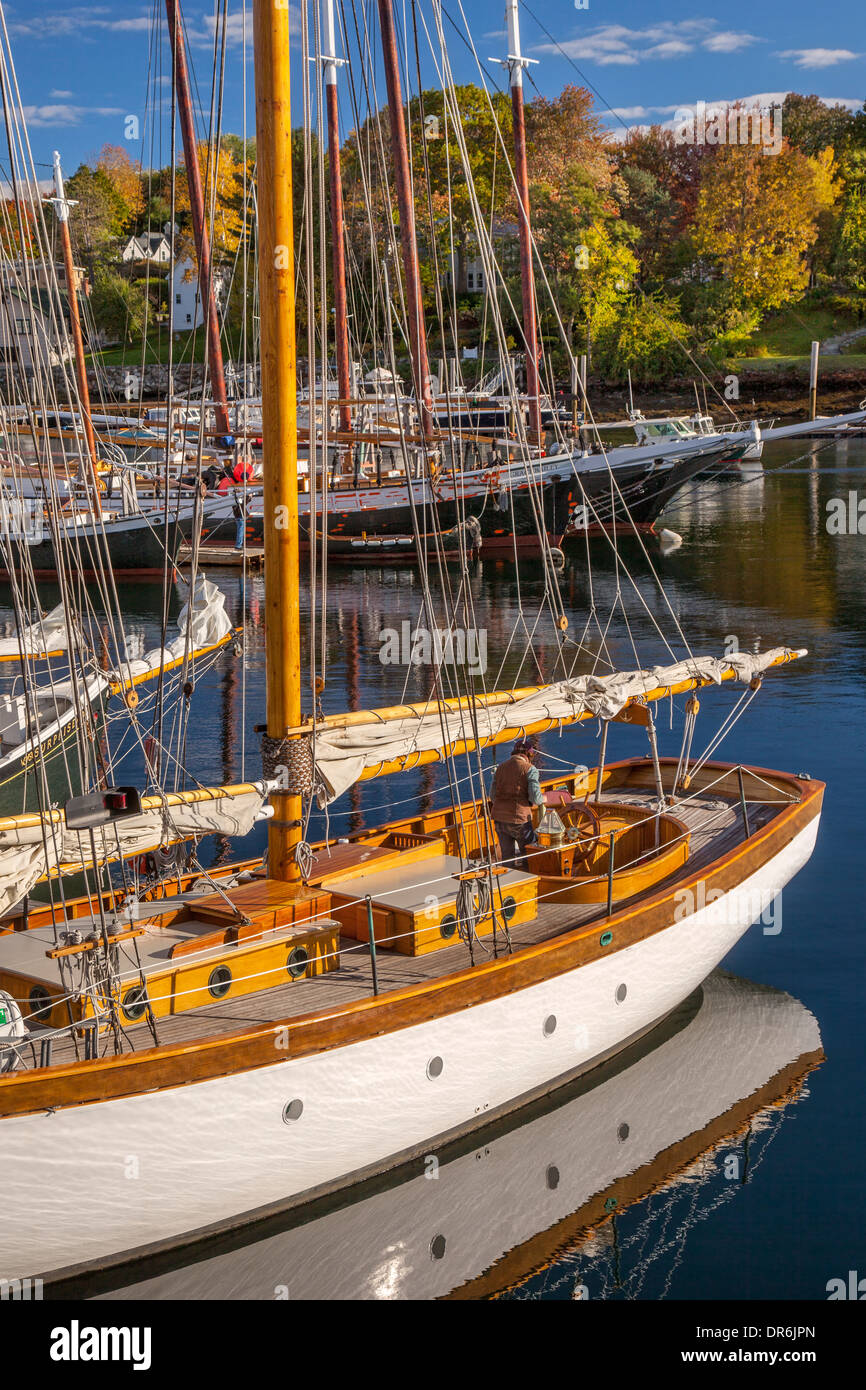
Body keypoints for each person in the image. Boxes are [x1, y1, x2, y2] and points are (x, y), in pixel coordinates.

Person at [489, 735, 550, 872]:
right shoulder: (530, 769)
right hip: (519, 820)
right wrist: (543, 799)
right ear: (529, 754)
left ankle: (508, 882)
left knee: (507, 857)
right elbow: (535, 797)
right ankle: (527, 879)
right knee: (528, 854)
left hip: (499, 818)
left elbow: (492, 796)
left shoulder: (500, 768)